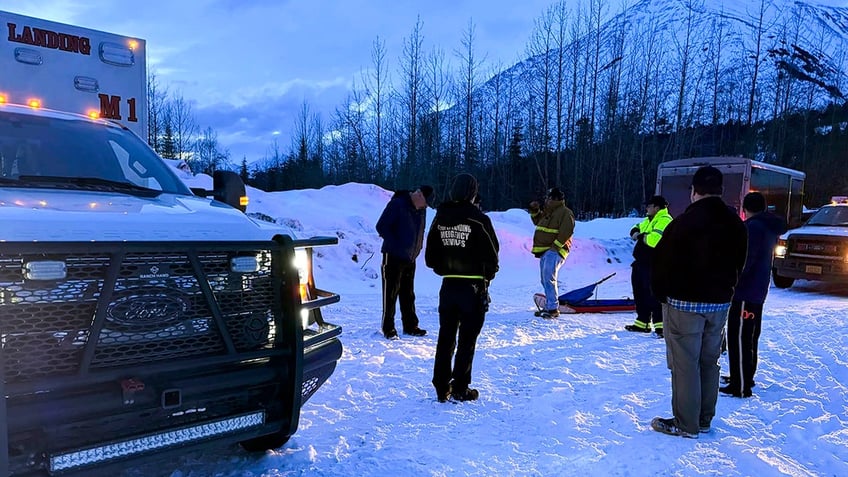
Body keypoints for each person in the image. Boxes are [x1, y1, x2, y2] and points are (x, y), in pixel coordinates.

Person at [650, 166, 748, 438]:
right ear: (721, 191)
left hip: (684, 304)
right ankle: (704, 419)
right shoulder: (735, 223)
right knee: (709, 361)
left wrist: (661, 294)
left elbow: (661, 263)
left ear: (694, 191)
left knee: (685, 364)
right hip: (719, 304)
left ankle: (686, 423)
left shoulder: (682, 223)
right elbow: (741, 262)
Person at [425, 173, 499, 402]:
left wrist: (446, 267)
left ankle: (440, 386)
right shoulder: (478, 219)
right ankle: (460, 387)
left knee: (445, 337)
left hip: (448, 285)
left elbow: (430, 257)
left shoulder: (439, 218)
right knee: (467, 339)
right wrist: (486, 276)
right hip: (473, 286)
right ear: (472, 192)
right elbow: (493, 257)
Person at [721, 192, 787, 398]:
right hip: (757, 292)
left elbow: (745, 261)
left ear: (745, 208)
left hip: (745, 292)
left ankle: (740, 385)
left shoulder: (752, 228)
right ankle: (744, 375)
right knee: (750, 336)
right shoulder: (767, 227)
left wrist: (732, 281)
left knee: (739, 337)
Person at [375, 184, 434, 340]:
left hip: (410, 257)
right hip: (393, 255)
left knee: (408, 294)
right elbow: (381, 226)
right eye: (425, 202)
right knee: (391, 293)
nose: (425, 206)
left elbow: (420, 230)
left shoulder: (421, 210)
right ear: (419, 194)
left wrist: (417, 248)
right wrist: (397, 245)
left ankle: (410, 325)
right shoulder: (398, 204)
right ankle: (388, 328)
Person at [625, 195, 673, 338]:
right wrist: (638, 233)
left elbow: (653, 241)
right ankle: (642, 322)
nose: (646, 208)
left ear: (657, 207)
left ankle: (660, 326)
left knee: (654, 294)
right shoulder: (649, 220)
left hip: (655, 264)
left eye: (649, 206)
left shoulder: (664, 220)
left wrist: (640, 236)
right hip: (641, 263)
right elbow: (635, 228)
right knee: (640, 292)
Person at [529, 187, 575, 319]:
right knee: (544, 279)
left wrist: (555, 246)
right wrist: (534, 210)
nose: (546, 200)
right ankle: (550, 306)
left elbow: (567, 230)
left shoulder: (565, 212)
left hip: (555, 250)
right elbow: (537, 221)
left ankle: (553, 309)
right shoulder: (548, 212)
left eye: (548, 198)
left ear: (554, 199)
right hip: (546, 250)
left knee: (549, 277)